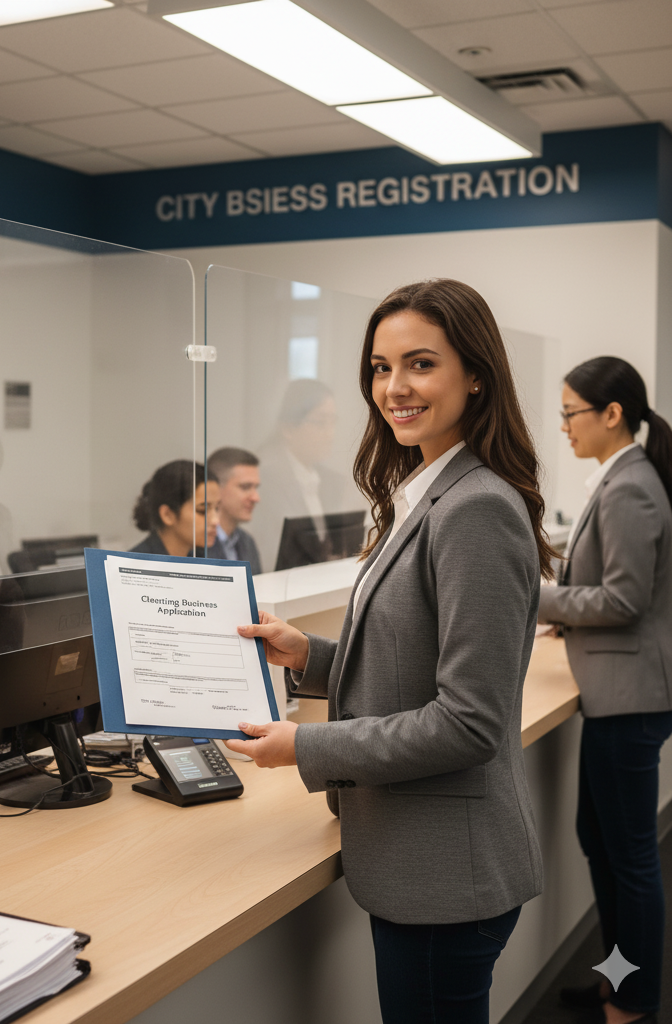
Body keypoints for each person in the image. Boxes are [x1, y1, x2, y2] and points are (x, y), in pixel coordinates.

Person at [227, 280, 552, 1024]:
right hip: (424, 865)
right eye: (379, 367)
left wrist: (307, 747)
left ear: (475, 375)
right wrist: (307, 654)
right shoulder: (427, 491)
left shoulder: (475, 509)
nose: (394, 388)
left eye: (419, 364)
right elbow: (411, 661)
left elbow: (467, 722)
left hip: (445, 876)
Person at [538, 357, 672, 1024]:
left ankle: (636, 998)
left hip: (632, 696)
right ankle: (619, 979)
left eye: (570, 413)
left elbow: (623, 598)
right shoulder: (620, 478)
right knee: (602, 838)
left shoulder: (629, 488)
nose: (563, 426)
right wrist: (564, 613)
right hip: (617, 691)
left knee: (630, 858)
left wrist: (538, 599)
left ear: (611, 414)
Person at [252, 379, 351, 570]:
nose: (330, 434)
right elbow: (267, 554)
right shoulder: (265, 482)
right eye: (321, 423)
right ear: (288, 428)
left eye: (333, 422)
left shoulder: (332, 482)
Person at [130, 460, 220, 557]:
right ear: (167, 515)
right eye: (203, 510)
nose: (216, 521)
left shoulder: (203, 559)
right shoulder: (136, 565)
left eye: (217, 509)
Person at [208, 447, 262, 574]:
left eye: (255, 488)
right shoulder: (195, 544)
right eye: (245, 487)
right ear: (215, 489)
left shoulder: (247, 542)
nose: (256, 498)